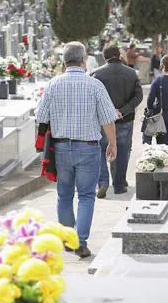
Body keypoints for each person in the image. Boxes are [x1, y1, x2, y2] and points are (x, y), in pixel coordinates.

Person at [35, 42, 117, 258]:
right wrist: (112, 143)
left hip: (61, 147)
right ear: (84, 60)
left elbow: (41, 116)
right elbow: (108, 118)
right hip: (88, 148)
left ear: (64, 62)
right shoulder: (95, 85)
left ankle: (68, 239)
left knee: (64, 195)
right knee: (87, 196)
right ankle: (80, 241)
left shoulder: (54, 84)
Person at [92, 45, 143, 199]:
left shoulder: (96, 74)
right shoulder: (131, 73)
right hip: (125, 118)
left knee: (101, 150)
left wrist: (106, 111)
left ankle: (103, 181)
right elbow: (138, 96)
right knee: (122, 151)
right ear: (119, 54)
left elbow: (92, 97)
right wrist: (122, 110)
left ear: (104, 56)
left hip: (103, 121)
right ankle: (119, 185)